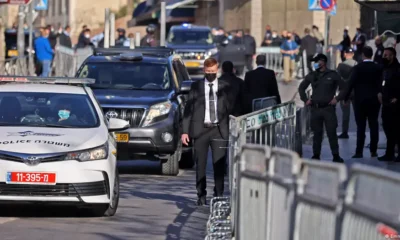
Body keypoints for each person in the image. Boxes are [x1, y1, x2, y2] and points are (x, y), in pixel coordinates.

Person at [181, 58, 231, 206]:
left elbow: (231, 108)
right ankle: (201, 195)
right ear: (204, 70)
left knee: (219, 165)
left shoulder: (224, 87)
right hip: (200, 130)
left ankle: (219, 194)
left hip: (218, 130)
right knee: (200, 165)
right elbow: (188, 110)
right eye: (208, 72)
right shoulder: (196, 87)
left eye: (213, 72)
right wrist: (185, 132)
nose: (210, 74)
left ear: (218, 70)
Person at [336, 46, 382, 158]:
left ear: (363, 55)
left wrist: (345, 98)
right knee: (373, 125)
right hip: (374, 101)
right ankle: (373, 151)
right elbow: (380, 84)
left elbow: (350, 84)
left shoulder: (358, 68)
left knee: (360, 127)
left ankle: (359, 151)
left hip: (360, 101)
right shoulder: (378, 68)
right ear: (372, 55)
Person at [298, 53, 344, 163]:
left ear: (323, 62)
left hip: (328, 109)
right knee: (317, 134)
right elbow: (301, 88)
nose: (315, 64)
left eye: (317, 62)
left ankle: (336, 155)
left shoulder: (333, 75)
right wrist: (305, 99)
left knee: (332, 133)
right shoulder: (312, 75)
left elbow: (344, 88)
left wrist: (337, 99)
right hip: (316, 109)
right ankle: (316, 155)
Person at [378, 47, 400, 161]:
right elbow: (380, 82)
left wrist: (397, 97)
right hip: (386, 103)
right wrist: (379, 93)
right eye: (384, 54)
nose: (384, 57)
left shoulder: (398, 68)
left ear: (392, 56)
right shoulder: (384, 68)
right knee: (387, 127)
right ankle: (389, 153)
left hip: (396, 104)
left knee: (396, 128)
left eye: (387, 55)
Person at [336, 48, 357, 139]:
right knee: (358, 113)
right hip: (355, 91)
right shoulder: (357, 64)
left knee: (345, 113)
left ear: (345, 54)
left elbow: (337, 79)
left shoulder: (341, 66)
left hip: (344, 92)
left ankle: (345, 132)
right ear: (353, 54)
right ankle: (361, 132)